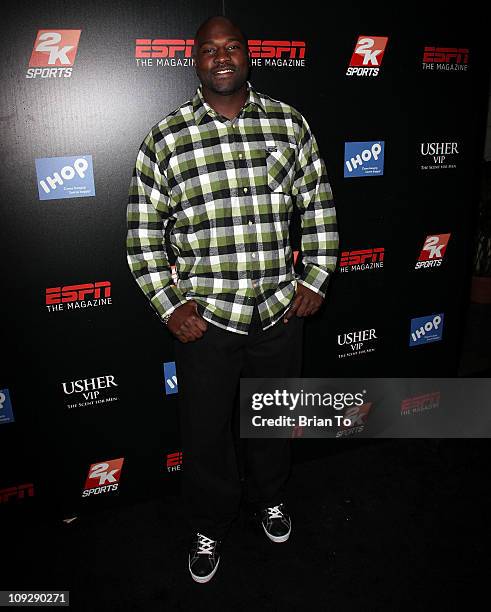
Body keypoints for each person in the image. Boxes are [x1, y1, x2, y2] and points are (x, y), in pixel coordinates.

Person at [127, 15, 338, 584]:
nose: (222, 57)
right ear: (193, 60)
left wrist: (316, 277)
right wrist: (170, 305)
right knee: (205, 435)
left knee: (272, 418)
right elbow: (143, 232)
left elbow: (316, 201)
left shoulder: (288, 124)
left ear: (249, 56)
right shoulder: (166, 137)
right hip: (207, 321)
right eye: (209, 49)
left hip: (277, 311)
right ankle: (208, 523)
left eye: (233, 47)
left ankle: (270, 497)